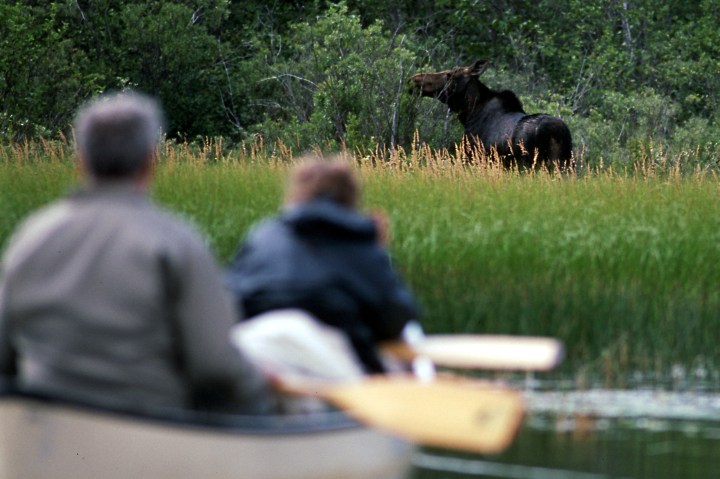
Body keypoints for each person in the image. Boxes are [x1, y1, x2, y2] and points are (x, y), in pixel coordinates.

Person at [0, 92, 275, 414]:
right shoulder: (175, 243)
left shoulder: (31, 239)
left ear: (81, 161)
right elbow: (215, 367)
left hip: (49, 438)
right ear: (151, 160)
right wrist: (263, 391)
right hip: (154, 434)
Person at [226, 156, 421, 376]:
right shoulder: (359, 242)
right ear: (350, 196)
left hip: (251, 355)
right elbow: (398, 317)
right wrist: (379, 251)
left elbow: (229, 297)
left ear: (297, 193)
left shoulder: (262, 235)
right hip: (323, 364)